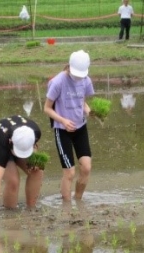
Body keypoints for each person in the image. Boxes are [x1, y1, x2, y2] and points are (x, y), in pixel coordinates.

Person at [43, 50, 95, 204]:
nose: (79, 77)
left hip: (80, 128)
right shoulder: (58, 82)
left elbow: (82, 101)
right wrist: (63, 121)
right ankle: (66, 208)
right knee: (70, 173)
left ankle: (78, 201)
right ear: (70, 67)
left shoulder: (86, 80)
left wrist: (89, 111)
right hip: (62, 130)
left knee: (86, 167)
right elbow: (47, 108)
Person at [0, 115, 43, 222]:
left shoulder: (35, 131)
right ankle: (10, 214)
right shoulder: (2, 141)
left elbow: (34, 146)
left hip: (22, 143)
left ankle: (31, 209)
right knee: (13, 180)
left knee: (37, 170)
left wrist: (33, 158)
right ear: (11, 142)